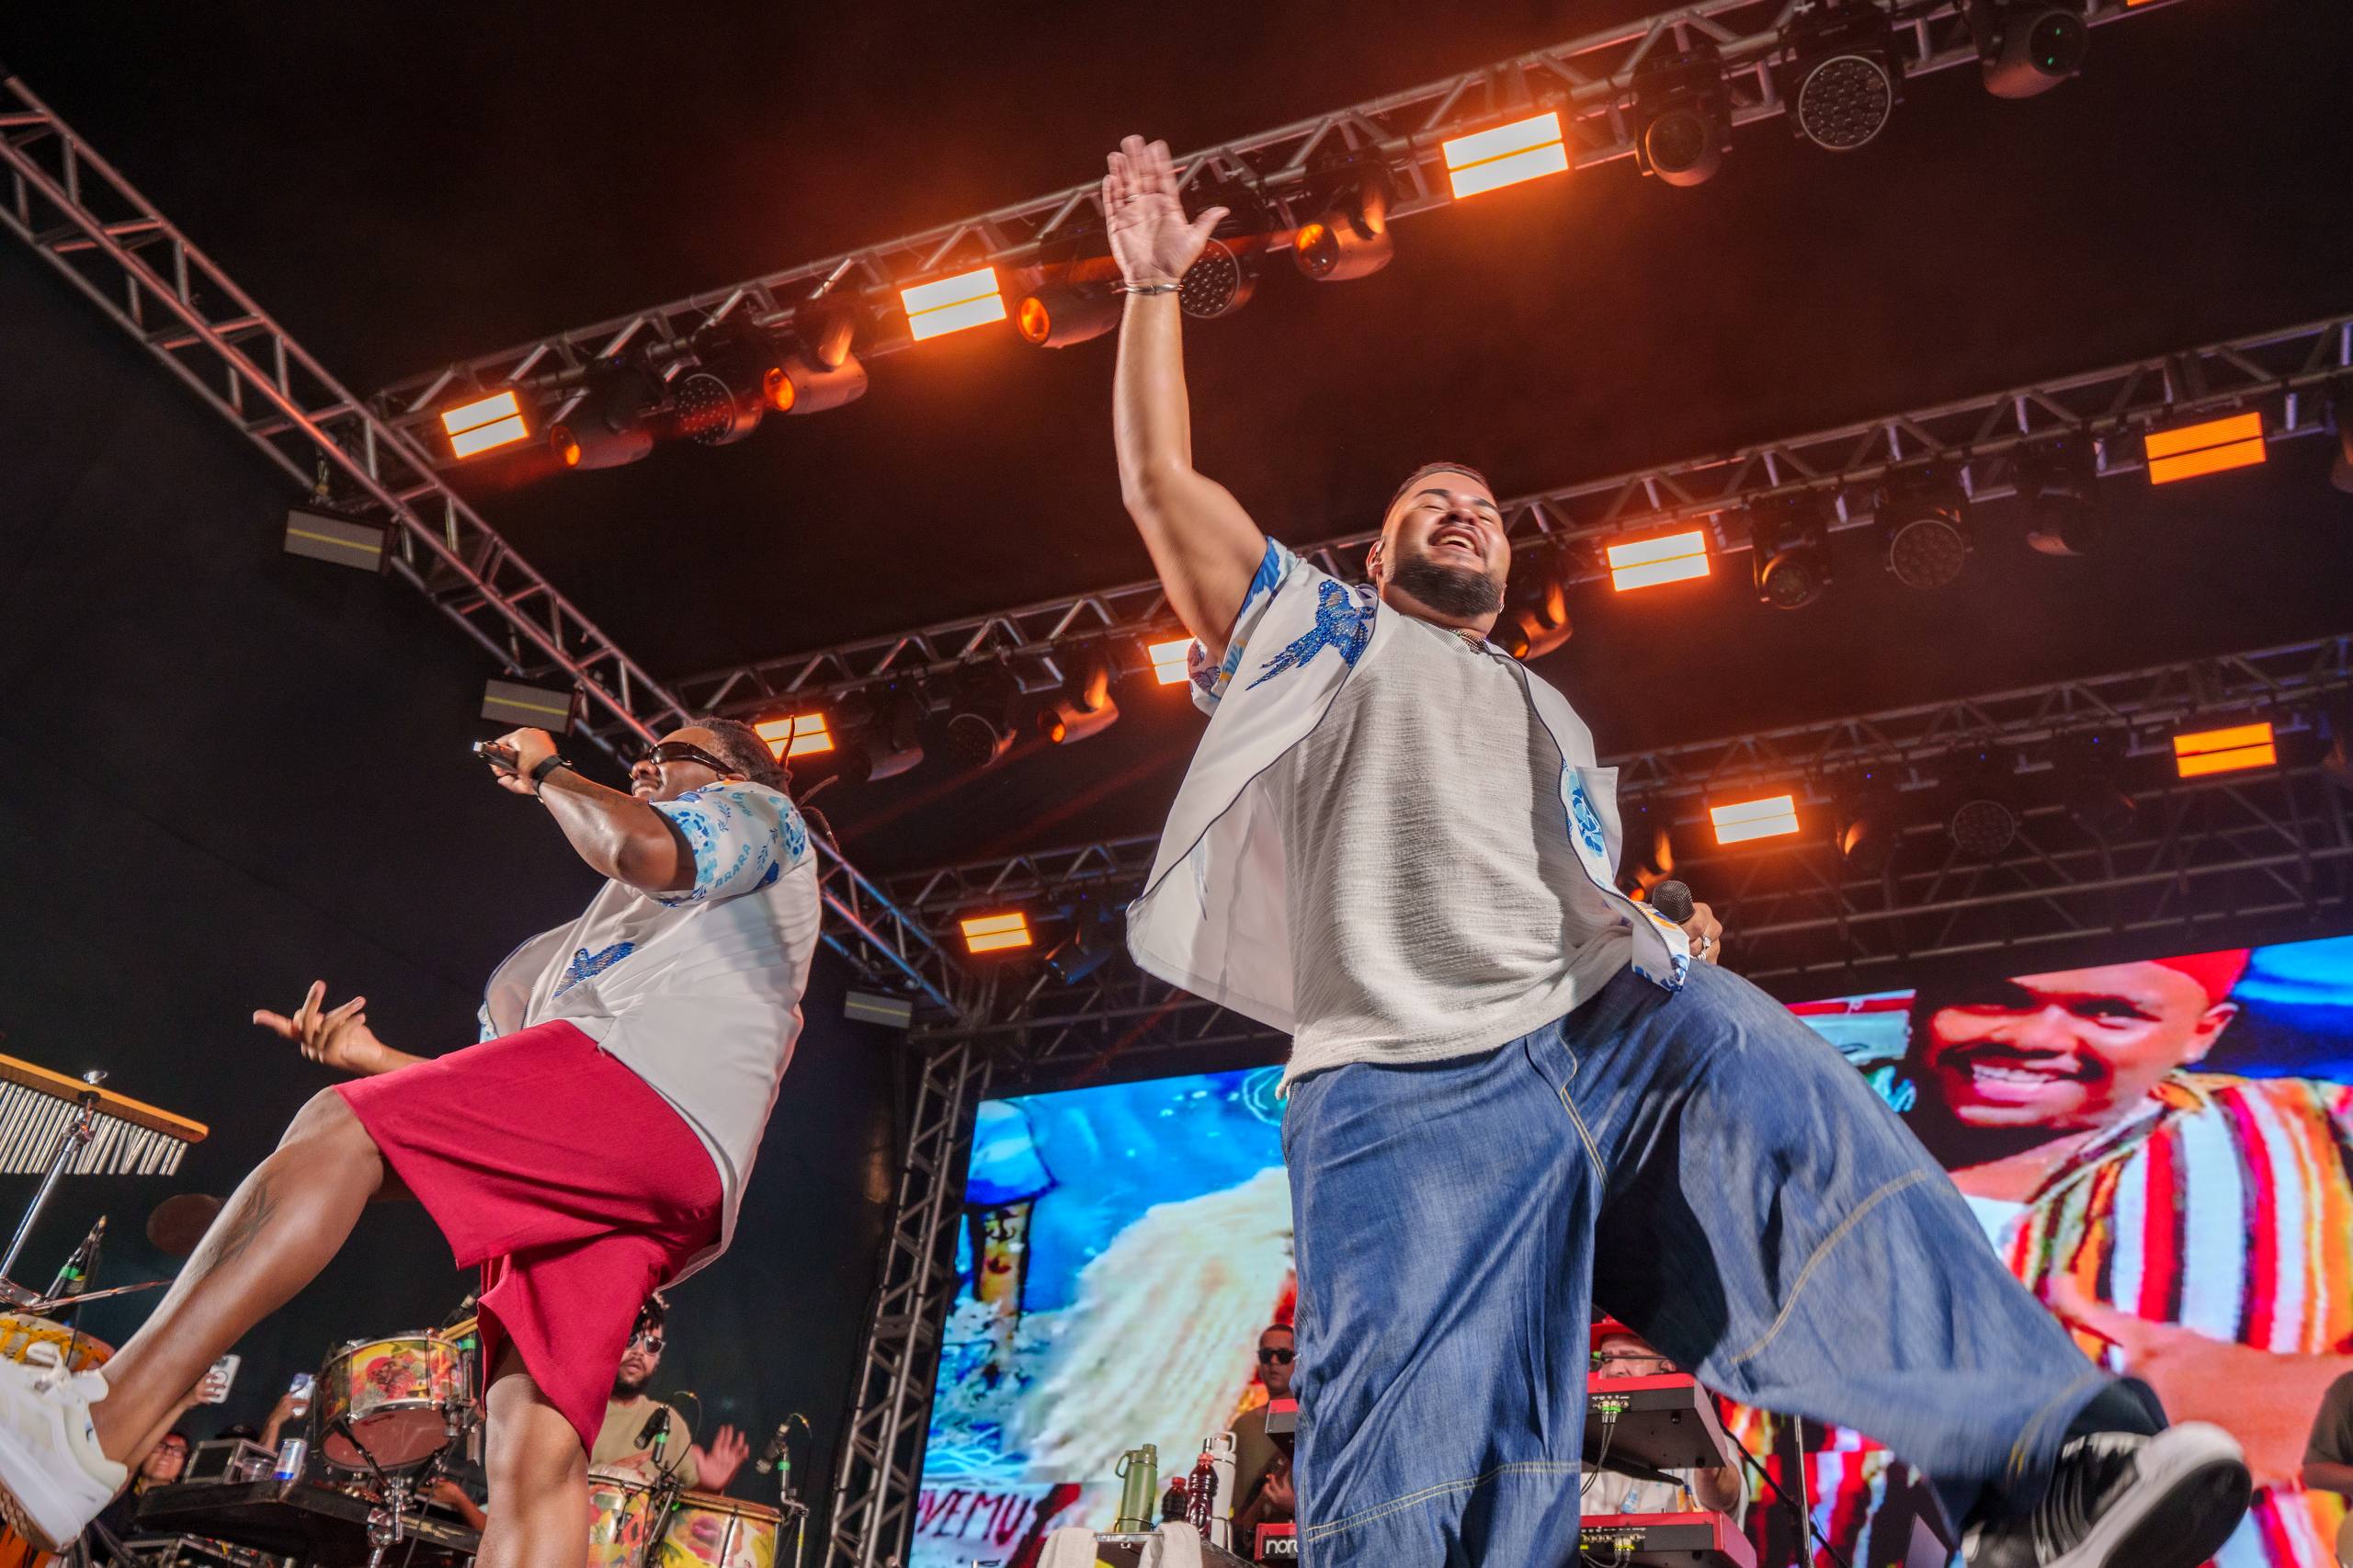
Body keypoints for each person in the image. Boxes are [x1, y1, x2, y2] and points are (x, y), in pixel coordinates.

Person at [1097, 130, 2251, 1568]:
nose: (1466, 512)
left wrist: (1657, 927)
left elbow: (1558, 887)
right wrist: (1152, 289)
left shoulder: (1553, 715)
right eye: (1430, 503)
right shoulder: (1327, 634)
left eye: (1487, 510)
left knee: (1804, 1117)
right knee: (1435, 1470)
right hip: (1411, 1085)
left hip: (1608, 1031)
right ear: (1377, 561)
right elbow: (1161, 482)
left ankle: (2045, 1464)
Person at [0, 718, 819, 1568]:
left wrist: (551, 771)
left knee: (338, 1124)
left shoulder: (762, 815)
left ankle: (96, 1428)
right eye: (643, 757)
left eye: (668, 756)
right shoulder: (588, 945)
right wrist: (376, 1061)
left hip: (651, 1102)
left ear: (732, 772)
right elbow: (507, 1108)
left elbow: (641, 848)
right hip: (639, 1174)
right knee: (535, 1449)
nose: (644, 767)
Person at [591, 1295, 748, 1489]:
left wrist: (710, 1487)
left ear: (658, 1358)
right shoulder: (577, 1412)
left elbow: (687, 1504)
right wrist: (604, 1478)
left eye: (651, 1344)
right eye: (631, 1339)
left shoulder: (671, 1422)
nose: (639, 1351)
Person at [1586, 1332, 1744, 1521]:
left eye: (1630, 1357)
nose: (1614, 1369)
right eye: (1607, 1359)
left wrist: (1706, 1459)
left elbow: (1725, 1500)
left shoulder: (1708, 1440)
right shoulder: (1582, 1442)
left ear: (1667, 1367)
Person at [1229, 1324, 1296, 1548]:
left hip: (1294, 1549)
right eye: (1267, 1355)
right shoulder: (1242, 1426)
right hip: (1246, 1550)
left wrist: (1297, 1506)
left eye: (1284, 1355)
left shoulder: (1313, 1423)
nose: (1274, 1362)